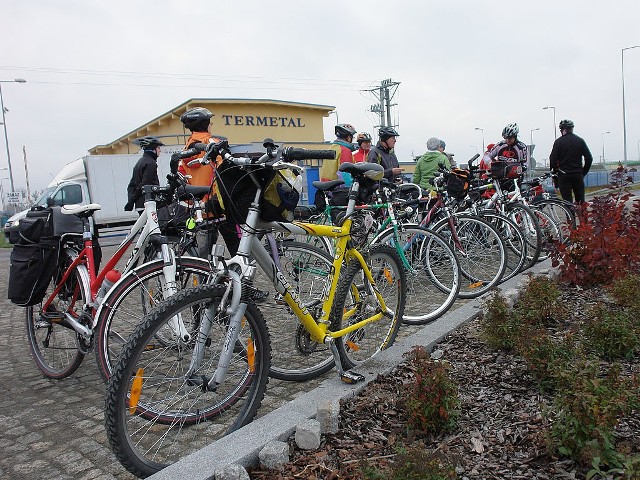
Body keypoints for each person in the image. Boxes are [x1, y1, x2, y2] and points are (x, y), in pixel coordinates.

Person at [177, 107, 225, 256]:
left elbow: (181, 176)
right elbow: (223, 173)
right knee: (238, 248)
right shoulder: (214, 145)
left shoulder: (186, 149)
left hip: (198, 209)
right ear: (207, 124)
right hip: (217, 205)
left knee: (202, 256)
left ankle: (203, 276)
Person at [549, 119, 593, 203]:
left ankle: (570, 216)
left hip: (563, 175)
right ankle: (582, 215)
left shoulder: (558, 142)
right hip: (577, 174)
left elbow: (553, 159)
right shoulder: (580, 141)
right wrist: (583, 172)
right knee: (580, 201)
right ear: (571, 129)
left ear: (562, 130)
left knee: (567, 202)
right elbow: (589, 158)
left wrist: (555, 172)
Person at [125, 136, 163, 213]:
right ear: (153, 149)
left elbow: (131, 185)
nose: (160, 150)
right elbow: (145, 184)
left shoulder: (139, 162)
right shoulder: (151, 163)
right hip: (149, 203)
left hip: (140, 204)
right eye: (158, 148)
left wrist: (131, 200)